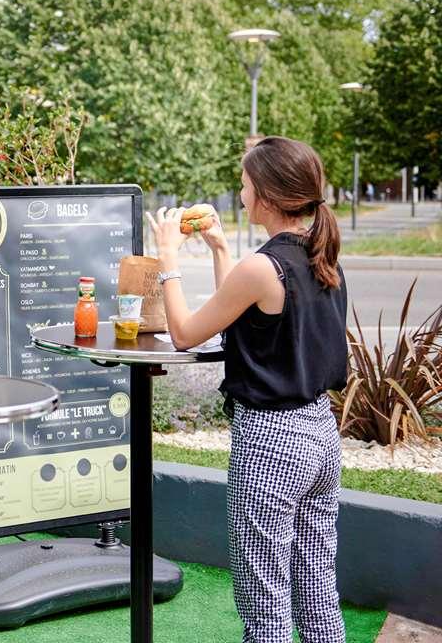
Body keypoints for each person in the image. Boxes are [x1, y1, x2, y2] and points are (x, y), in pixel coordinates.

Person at [147, 136, 347, 643]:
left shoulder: (264, 266)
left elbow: (187, 332)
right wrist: (219, 249)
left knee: (264, 602)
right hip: (321, 433)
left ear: (266, 194)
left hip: (273, 440)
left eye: (244, 182)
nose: (239, 191)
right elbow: (248, 316)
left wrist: (168, 259)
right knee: (316, 584)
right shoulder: (318, 256)